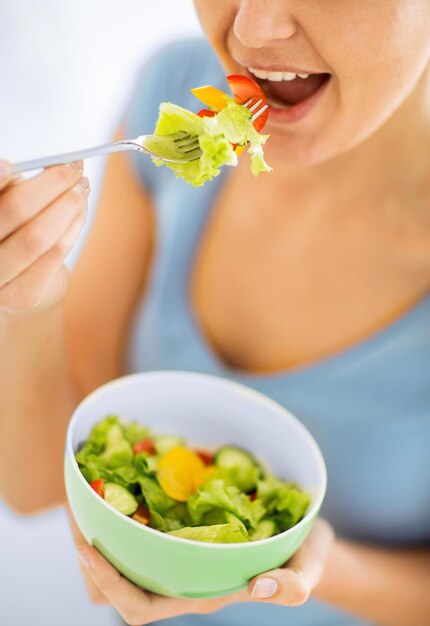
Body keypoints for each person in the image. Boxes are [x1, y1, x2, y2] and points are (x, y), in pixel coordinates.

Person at [1, 1, 430, 625]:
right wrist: (28, 300)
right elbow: (37, 483)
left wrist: (311, 567)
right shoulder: (175, 93)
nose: (251, 30)